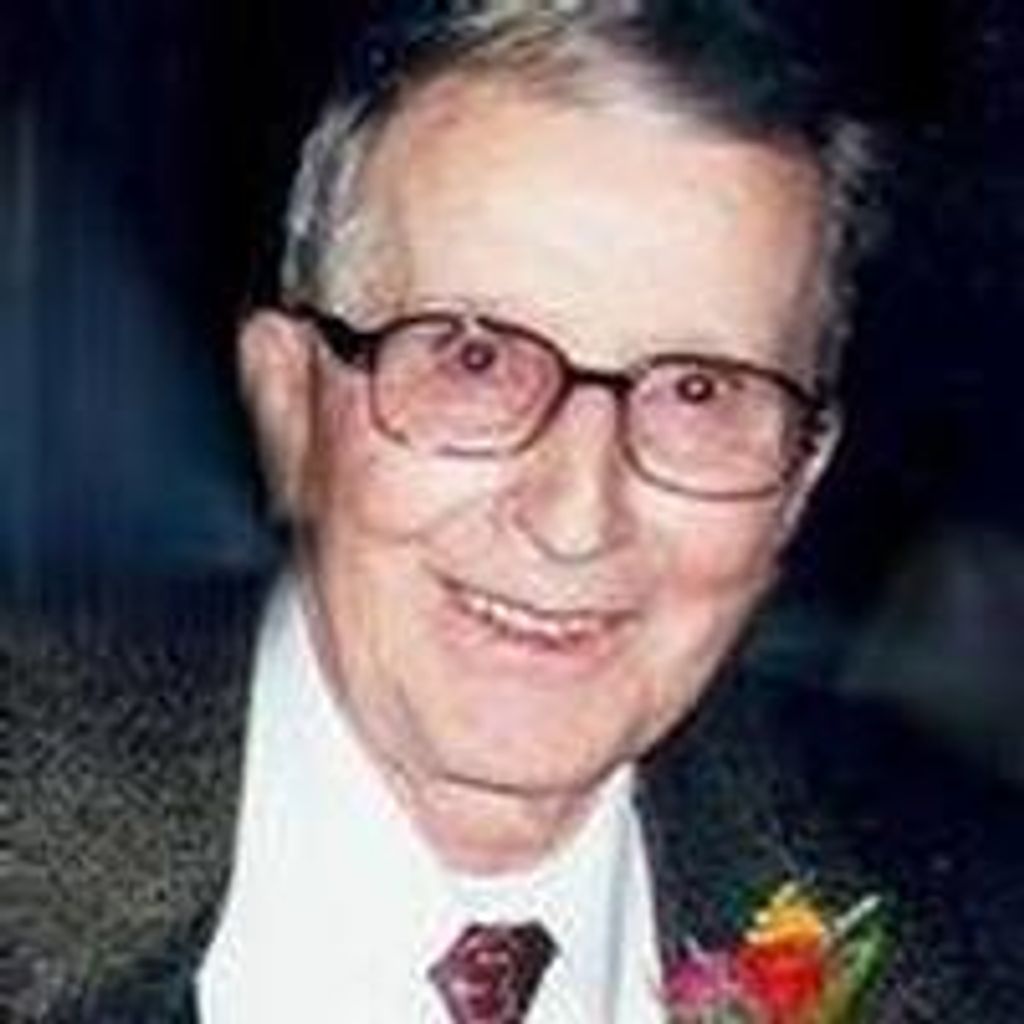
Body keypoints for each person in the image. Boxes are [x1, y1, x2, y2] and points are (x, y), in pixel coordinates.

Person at [9, 2, 1022, 1021]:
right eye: (475, 357)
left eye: (699, 391)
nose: (576, 519)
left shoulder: (975, 936)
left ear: (800, 480)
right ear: (292, 406)